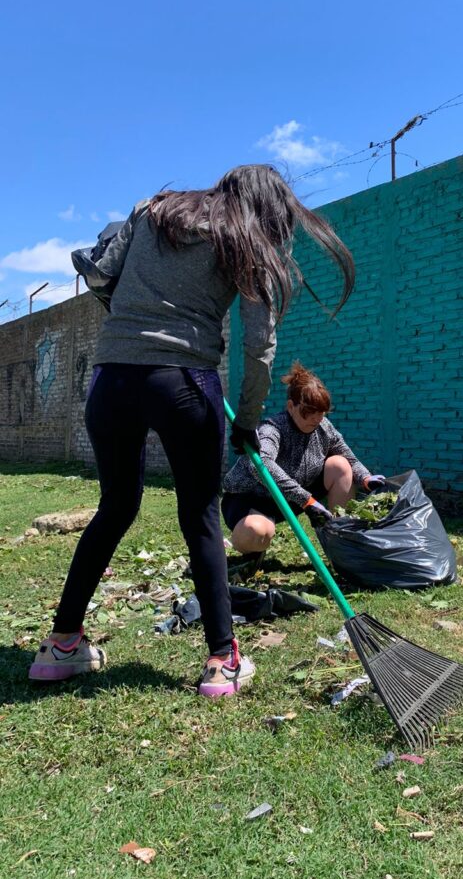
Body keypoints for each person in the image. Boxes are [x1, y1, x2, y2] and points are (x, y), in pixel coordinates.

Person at [29, 165, 355, 697]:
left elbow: (101, 275)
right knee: (200, 515)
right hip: (183, 381)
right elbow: (259, 348)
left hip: (110, 380)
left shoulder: (153, 208)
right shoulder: (245, 237)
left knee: (116, 505)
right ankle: (222, 660)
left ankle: (61, 645)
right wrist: (248, 421)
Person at [221, 363, 386, 560]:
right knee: (256, 533)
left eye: (321, 412)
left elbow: (348, 457)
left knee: (340, 464)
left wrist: (366, 478)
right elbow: (262, 465)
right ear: (291, 406)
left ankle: (340, 540)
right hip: (253, 499)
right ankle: (247, 547)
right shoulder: (272, 429)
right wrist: (306, 500)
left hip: (295, 497)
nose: (316, 419)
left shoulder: (323, 426)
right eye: (309, 412)